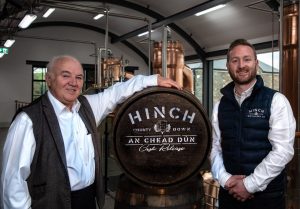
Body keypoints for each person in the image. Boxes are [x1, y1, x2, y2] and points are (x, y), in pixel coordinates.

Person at [0, 55, 181, 209]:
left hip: (88, 200)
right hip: (52, 202)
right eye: (66, 76)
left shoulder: (87, 106)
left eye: (79, 77)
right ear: (49, 79)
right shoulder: (28, 120)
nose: (74, 82)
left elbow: (116, 92)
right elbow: (13, 182)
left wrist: (152, 80)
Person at [210, 39, 296, 209]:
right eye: (235, 60)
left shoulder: (276, 101)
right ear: (228, 65)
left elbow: (283, 151)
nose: (241, 65)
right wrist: (225, 179)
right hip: (229, 194)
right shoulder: (220, 106)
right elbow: (215, 147)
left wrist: (249, 185)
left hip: (267, 197)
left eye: (247, 59)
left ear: (256, 63)